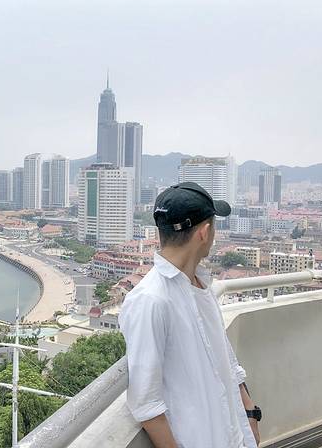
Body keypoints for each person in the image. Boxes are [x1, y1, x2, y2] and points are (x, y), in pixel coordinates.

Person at [119, 182, 261, 448]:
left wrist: (250, 412)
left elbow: (225, 357)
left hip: (234, 435)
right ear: (204, 233)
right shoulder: (150, 300)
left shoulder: (200, 284)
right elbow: (146, 403)